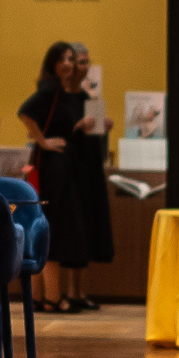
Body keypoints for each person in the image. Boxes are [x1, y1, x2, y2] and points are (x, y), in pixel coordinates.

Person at [18, 38, 115, 312]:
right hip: (52, 165)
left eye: (73, 60)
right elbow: (25, 113)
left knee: (51, 228)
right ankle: (50, 297)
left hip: (60, 165)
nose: (70, 65)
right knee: (52, 227)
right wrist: (43, 141)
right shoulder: (49, 88)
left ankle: (42, 297)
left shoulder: (64, 92)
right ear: (53, 63)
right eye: (65, 60)